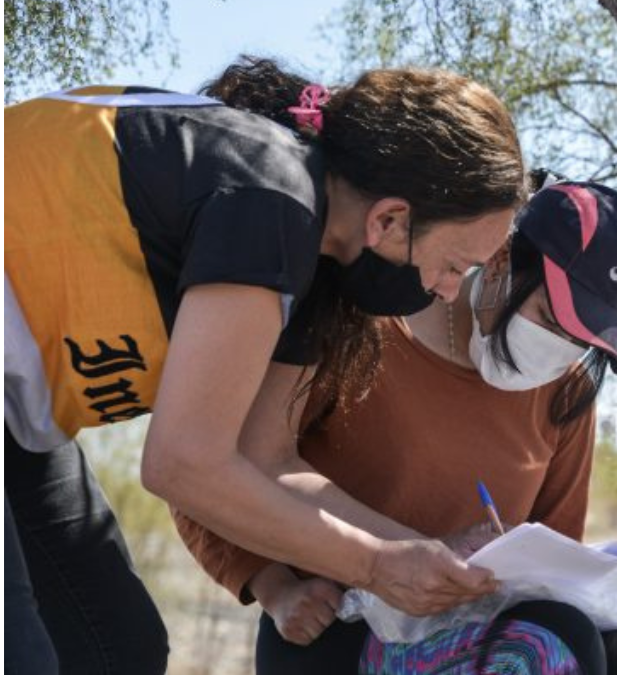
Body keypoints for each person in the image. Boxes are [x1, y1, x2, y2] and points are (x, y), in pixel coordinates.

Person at [4, 57, 526, 674]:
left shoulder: (308, 263)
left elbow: (266, 460)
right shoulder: (268, 195)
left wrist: (422, 551)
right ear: (388, 220)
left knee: (118, 650)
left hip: (18, 425)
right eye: (454, 265)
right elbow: (183, 463)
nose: (446, 293)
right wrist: (376, 567)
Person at [174, 179, 617, 674]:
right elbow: (206, 464)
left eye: (579, 337)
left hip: (486, 625)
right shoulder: (366, 323)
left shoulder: (563, 393)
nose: (559, 349)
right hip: (338, 623)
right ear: (502, 260)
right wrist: (272, 585)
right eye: (549, 317)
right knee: (546, 644)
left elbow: (557, 564)